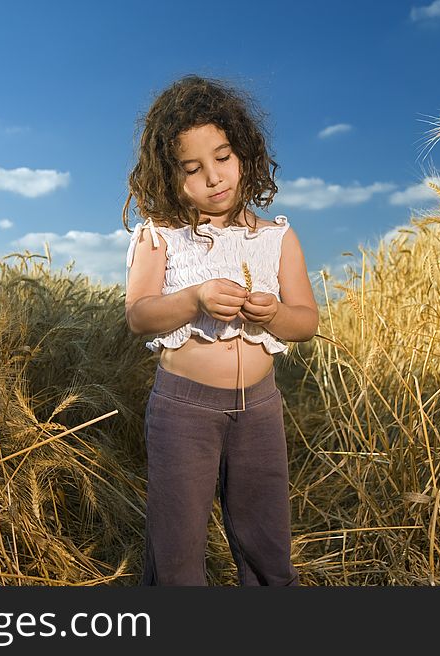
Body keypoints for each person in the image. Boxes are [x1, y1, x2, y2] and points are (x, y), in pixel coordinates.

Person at [122, 75, 319, 586]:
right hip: (183, 410)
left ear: (245, 154)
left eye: (223, 157)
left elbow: (306, 321)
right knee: (178, 551)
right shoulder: (160, 235)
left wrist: (272, 314)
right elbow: (139, 314)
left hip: (260, 409)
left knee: (267, 546)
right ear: (170, 177)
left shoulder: (277, 237)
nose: (214, 177)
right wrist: (194, 299)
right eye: (193, 168)